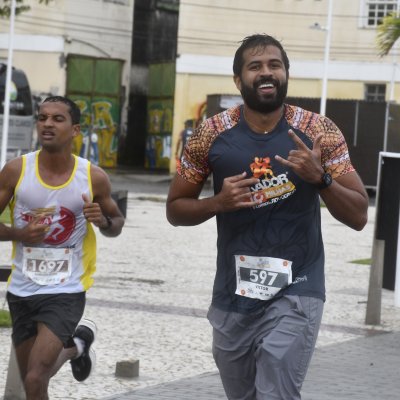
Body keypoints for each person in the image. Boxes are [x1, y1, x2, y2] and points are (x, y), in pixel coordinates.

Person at [166, 34, 368, 400]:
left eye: (275, 65)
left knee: (275, 391)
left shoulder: (319, 132)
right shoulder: (210, 134)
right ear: (238, 79)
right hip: (233, 294)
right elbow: (175, 210)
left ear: (286, 74)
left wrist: (319, 179)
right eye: (255, 66)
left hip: (298, 287)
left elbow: (358, 215)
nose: (266, 73)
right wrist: (218, 203)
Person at [0, 95, 125, 400]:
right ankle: (77, 346)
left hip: (66, 288)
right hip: (23, 289)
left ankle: (75, 343)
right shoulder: (15, 171)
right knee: (35, 377)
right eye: (42, 118)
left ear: (76, 129)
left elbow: (117, 222)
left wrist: (103, 222)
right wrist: (20, 233)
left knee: (34, 375)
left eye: (57, 119)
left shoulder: (92, 177)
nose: (47, 124)